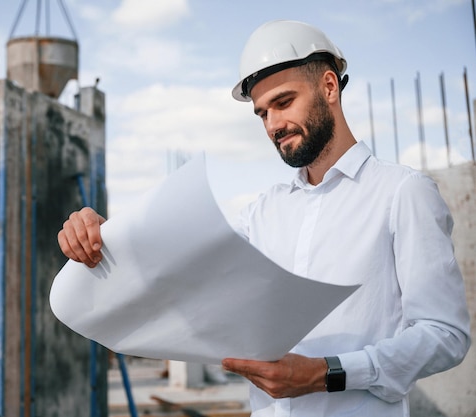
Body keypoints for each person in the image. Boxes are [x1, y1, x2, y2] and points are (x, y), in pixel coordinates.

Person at [57, 19, 471, 417]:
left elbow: (445, 334)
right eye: (261, 113)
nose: (273, 124)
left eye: (284, 102)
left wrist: (327, 374)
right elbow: (180, 271)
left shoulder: (401, 192)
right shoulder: (262, 213)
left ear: (329, 86)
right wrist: (102, 234)